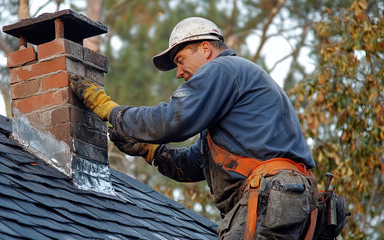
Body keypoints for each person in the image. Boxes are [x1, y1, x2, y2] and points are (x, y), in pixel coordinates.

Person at [70, 17, 329, 239]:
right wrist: (151, 151)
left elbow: (174, 118)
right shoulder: (232, 93)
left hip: (272, 195)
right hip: (290, 199)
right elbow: (197, 162)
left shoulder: (222, 69)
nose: (179, 72)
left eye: (181, 60)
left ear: (205, 49)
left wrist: (112, 111)